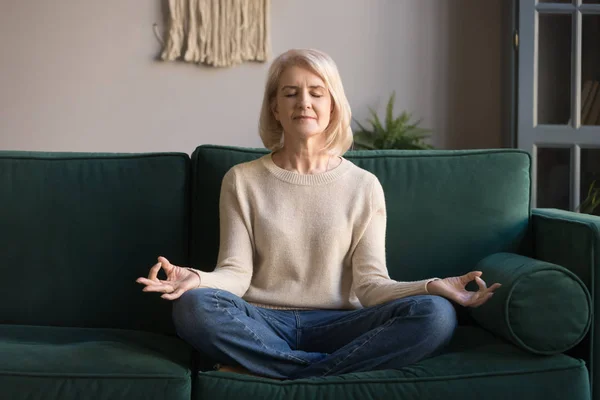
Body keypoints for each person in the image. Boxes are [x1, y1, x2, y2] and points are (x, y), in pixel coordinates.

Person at [136, 48, 501, 380]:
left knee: (436, 315)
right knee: (192, 307)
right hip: (263, 320)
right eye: (290, 93)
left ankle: (276, 367)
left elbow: (371, 285)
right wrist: (196, 279)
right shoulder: (242, 180)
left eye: (316, 92)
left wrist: (432, 286)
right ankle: (321, 369)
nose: (303, 103)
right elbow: (236, 274)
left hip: (343, 323)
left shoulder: (364, 185)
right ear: (275, 108)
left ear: (333, 106)